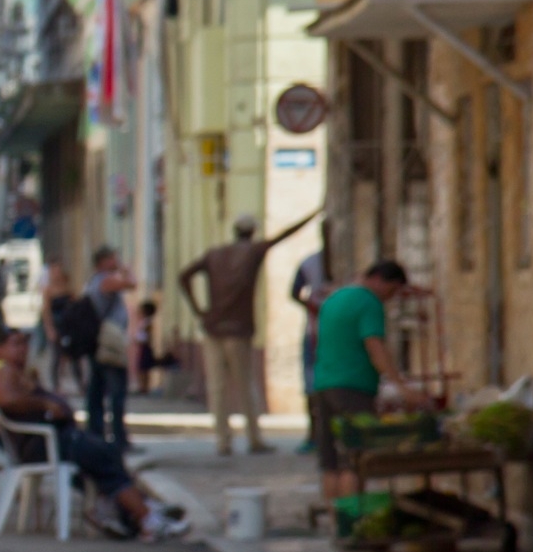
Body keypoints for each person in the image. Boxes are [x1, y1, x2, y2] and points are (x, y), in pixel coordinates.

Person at [0, 327, 188, 541]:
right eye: (15, 344)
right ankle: (146, 517)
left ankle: (128, 510)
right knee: (104, 457)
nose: (23, 349)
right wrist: (44, 403)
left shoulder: (16, 372)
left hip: (53, 440)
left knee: (106, 456)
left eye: (24, 343)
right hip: (47, 443)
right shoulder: (4, 371)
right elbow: (6, 400)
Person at [177, 208, 321, 455]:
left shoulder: (215, 254)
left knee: (217, 387)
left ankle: (223, 441)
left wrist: (200, 311)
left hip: (213, 328)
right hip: (238, 329)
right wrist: (314, 214)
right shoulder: (253, 252)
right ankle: (254, 439)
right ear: (252, 232)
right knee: (245, 386)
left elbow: (184, 276)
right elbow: (283, 236)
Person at [311, 259, 427, 500]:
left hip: (323, 384)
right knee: (354, 461)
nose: (391, 298)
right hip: (353, 388)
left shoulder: (335, 299)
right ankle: (353, 524)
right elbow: (374, 345)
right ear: (379, 281)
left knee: (330, 463)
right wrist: (402, 388)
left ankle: (337, 525)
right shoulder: (369, 302)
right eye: (392, 291)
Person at [82, 247, 137, 453]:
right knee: (116, 391)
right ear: (103, 261)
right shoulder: (105, 280)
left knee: (96, 390)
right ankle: (117, 438)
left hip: (100, 341)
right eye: (113, 258)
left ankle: (96, 434)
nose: (116, 260)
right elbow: (132, 284)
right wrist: (125, 269)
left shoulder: (94, 281)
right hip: (108, 343)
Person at [290, 226, 335, 454]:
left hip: (336, 336)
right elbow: (294, 291)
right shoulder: (310, 263)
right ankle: (313, 434)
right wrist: (313, 307)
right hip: (314, 334)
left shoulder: (344, 261)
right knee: (311, 385)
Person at [39, 260, 77, 394]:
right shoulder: (48, 290)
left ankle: (79, 383)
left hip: (68, 325)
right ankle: (56, 385)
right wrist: (49, 329)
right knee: (56, 356)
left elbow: (74, 305)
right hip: (56, 324)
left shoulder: (67, 287)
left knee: (72, 355)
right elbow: (46, 311)